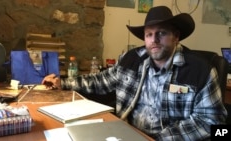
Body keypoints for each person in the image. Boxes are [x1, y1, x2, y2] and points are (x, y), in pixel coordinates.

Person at [42, 6, 227, 141]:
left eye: (161, 33)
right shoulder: (132, 59)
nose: (154, 40)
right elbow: (101, 81)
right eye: (149, 34)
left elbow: (210, 121)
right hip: (125, 134)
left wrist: (156, 139)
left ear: (176, 36)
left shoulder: (200, 71)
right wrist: (63, 83)